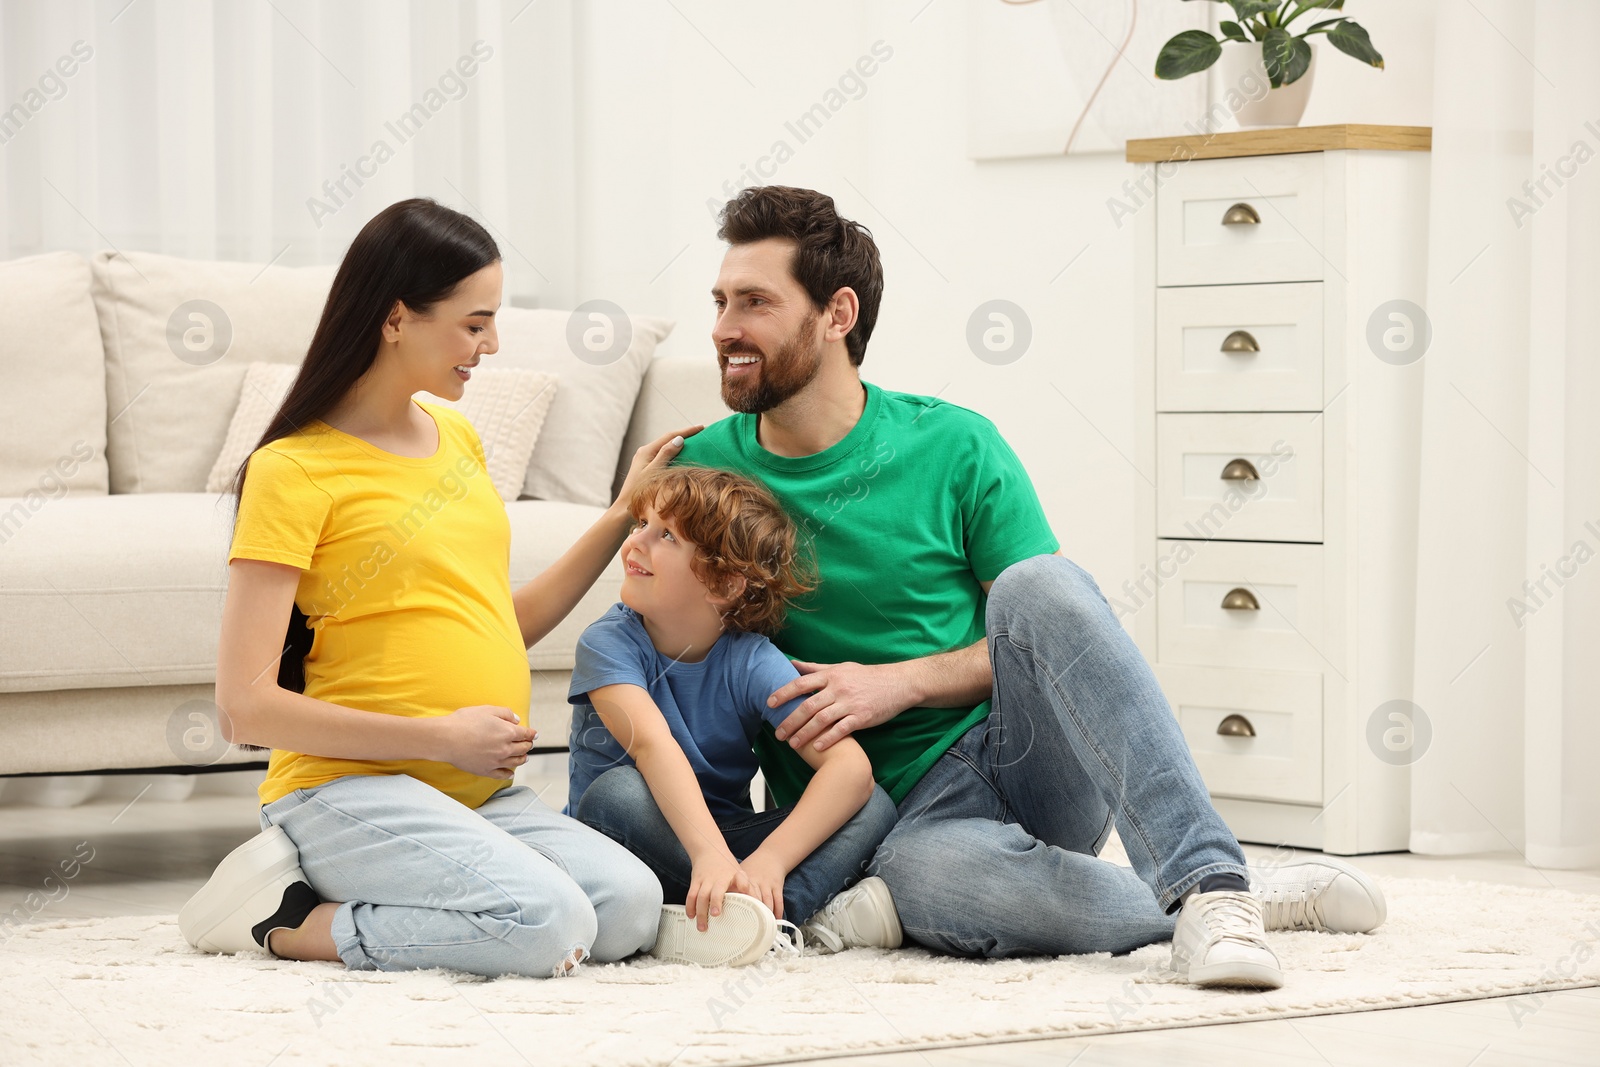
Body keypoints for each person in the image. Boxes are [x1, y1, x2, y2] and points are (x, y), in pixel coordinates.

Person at [665, 185, 1388, 990]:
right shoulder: (701, 474)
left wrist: (899, 684)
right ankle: (1235, 897)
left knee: (1040, 584)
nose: (725, 327)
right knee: (934, 886)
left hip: (1011, 758)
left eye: (755, 302)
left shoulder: (956, 444)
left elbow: (1043, 634)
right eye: (722, 300)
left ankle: (1212, 886)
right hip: (870, 823)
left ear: (837, 314)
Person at [179, 198, 691, 979]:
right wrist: (439, 738)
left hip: (470, 794)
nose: (490, 344)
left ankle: (418, 891)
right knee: (550, 922)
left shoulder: (457, 437)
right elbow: (244, 703)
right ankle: (281, 919)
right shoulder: (293, 469)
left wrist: (624, 513)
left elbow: (497, 622)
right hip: (344, 791)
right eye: (474, 322)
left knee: (628, 905)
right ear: (395, 319)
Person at [568, 466, 901, 965]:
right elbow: (652, 747)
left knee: (873, 802)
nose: (635, 543)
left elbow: (849, 769)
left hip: (727, 845)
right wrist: (707, 855)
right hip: (633, 841)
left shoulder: (751, 659)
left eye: (665, 536)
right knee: (618, 793)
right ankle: (774, 915)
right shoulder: (608, 643)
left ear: (723, 583)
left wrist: (770, 859)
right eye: (641, 524)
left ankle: (754, 916)